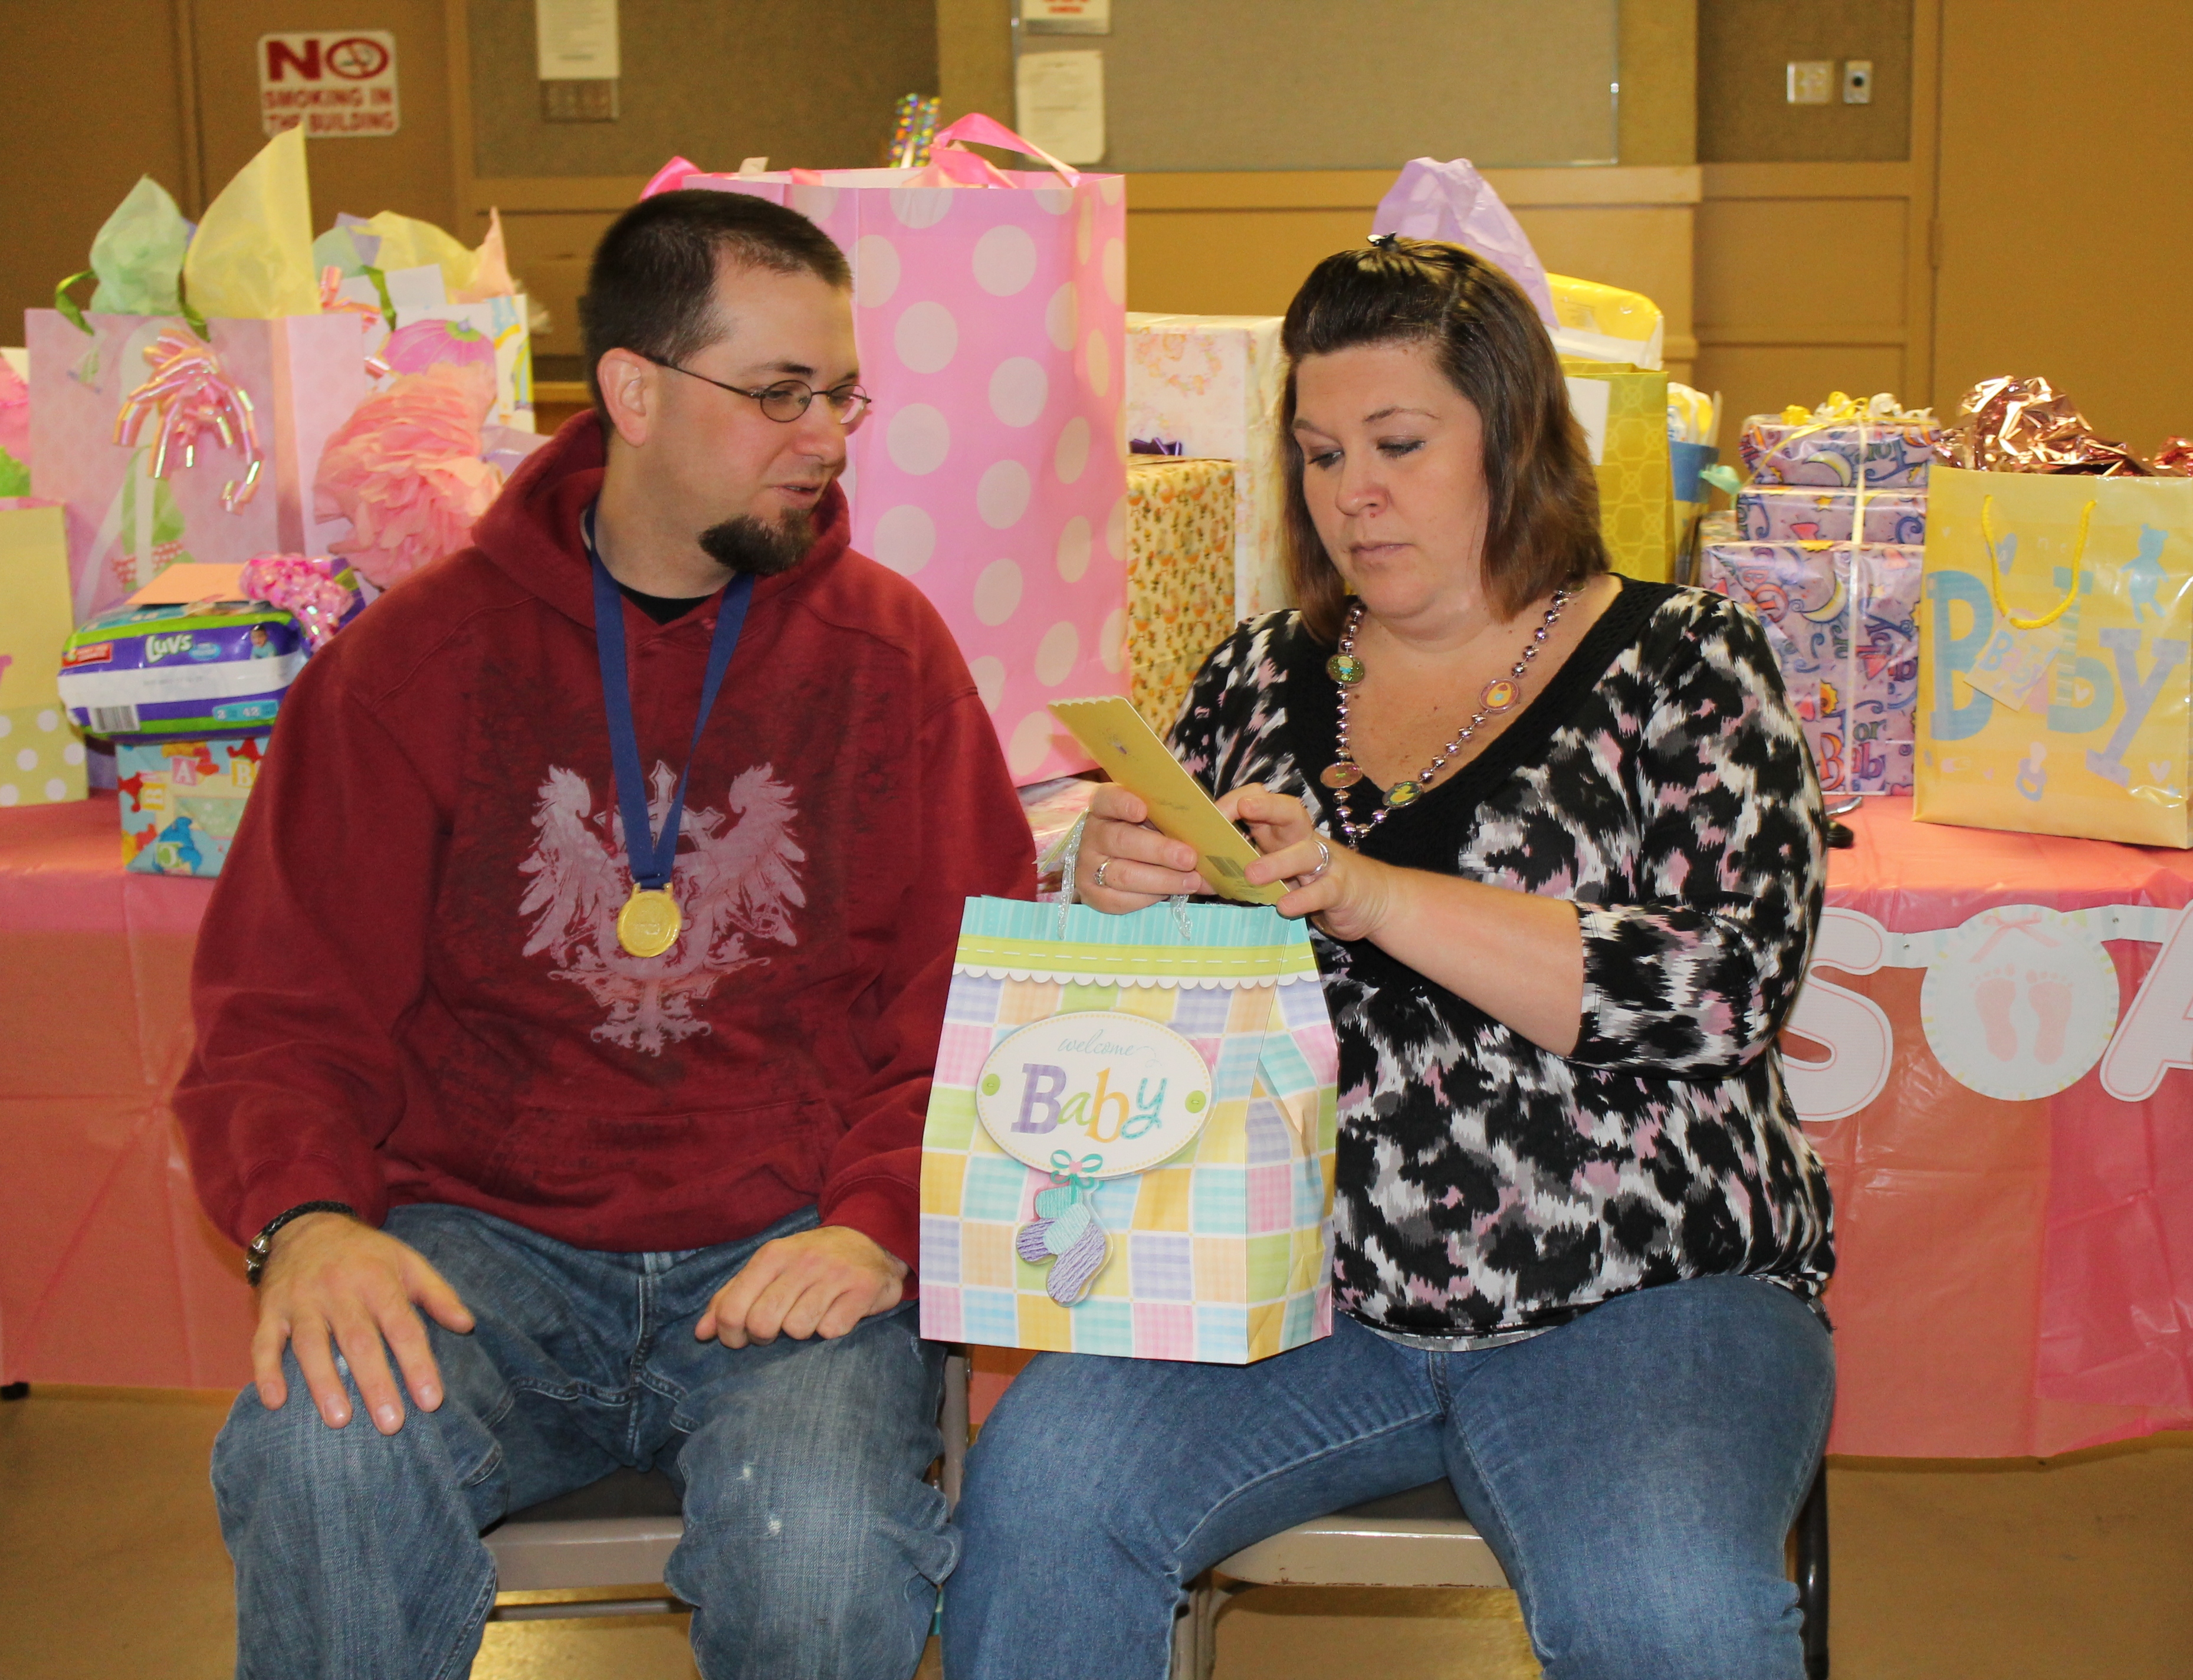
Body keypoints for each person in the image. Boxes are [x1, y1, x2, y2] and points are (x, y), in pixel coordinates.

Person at [946, 237, 1835, 1680]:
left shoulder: (1684, 658)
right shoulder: (1254, 675)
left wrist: (1371, 892)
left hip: (1644, 1286)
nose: (1350, 489)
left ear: (1512, 438)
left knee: (1661, 1602)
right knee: (1040, 1497)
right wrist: (1114, 894)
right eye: (1317, 453)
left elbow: (1721, 990)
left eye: (1398, 443)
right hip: (1286, 1284)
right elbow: (1168, 1018)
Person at [178, 189, 1032, 1680]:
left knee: (819, 1549)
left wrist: (878, 1216)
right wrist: (305, 1219)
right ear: (632, 392)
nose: (825, 438)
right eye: (778, 393)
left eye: (840, 395)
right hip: (476, 1246)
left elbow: (975, 1000)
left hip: (795, 1241)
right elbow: (280, 1007)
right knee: (316, 1453)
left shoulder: (888, 657)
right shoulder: (412, 663)